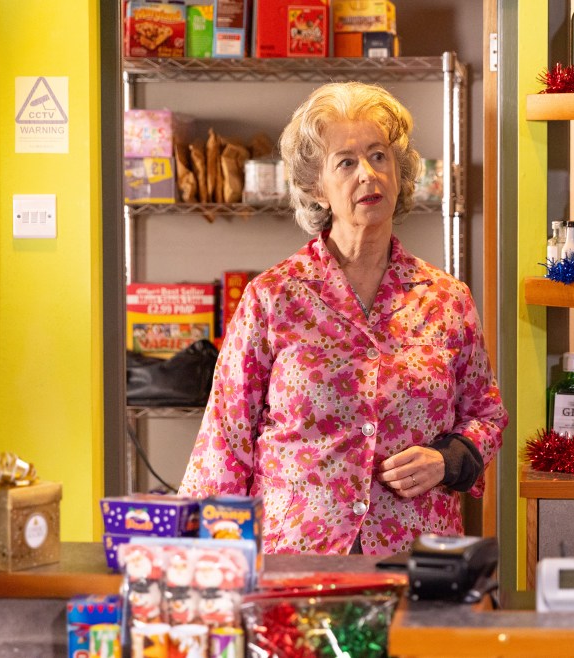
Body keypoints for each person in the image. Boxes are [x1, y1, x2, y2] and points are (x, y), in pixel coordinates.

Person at [178, 82, 507, 556]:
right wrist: (206, 569)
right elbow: (225, 441)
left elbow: (486, 415)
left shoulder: (446, 299)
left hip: (413, 553)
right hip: (296, 557)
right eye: (346, 162)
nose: (367, 175)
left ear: (399, 173)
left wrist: (448, 459)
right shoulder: (272, 299)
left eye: (379, 156)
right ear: (317, 186)